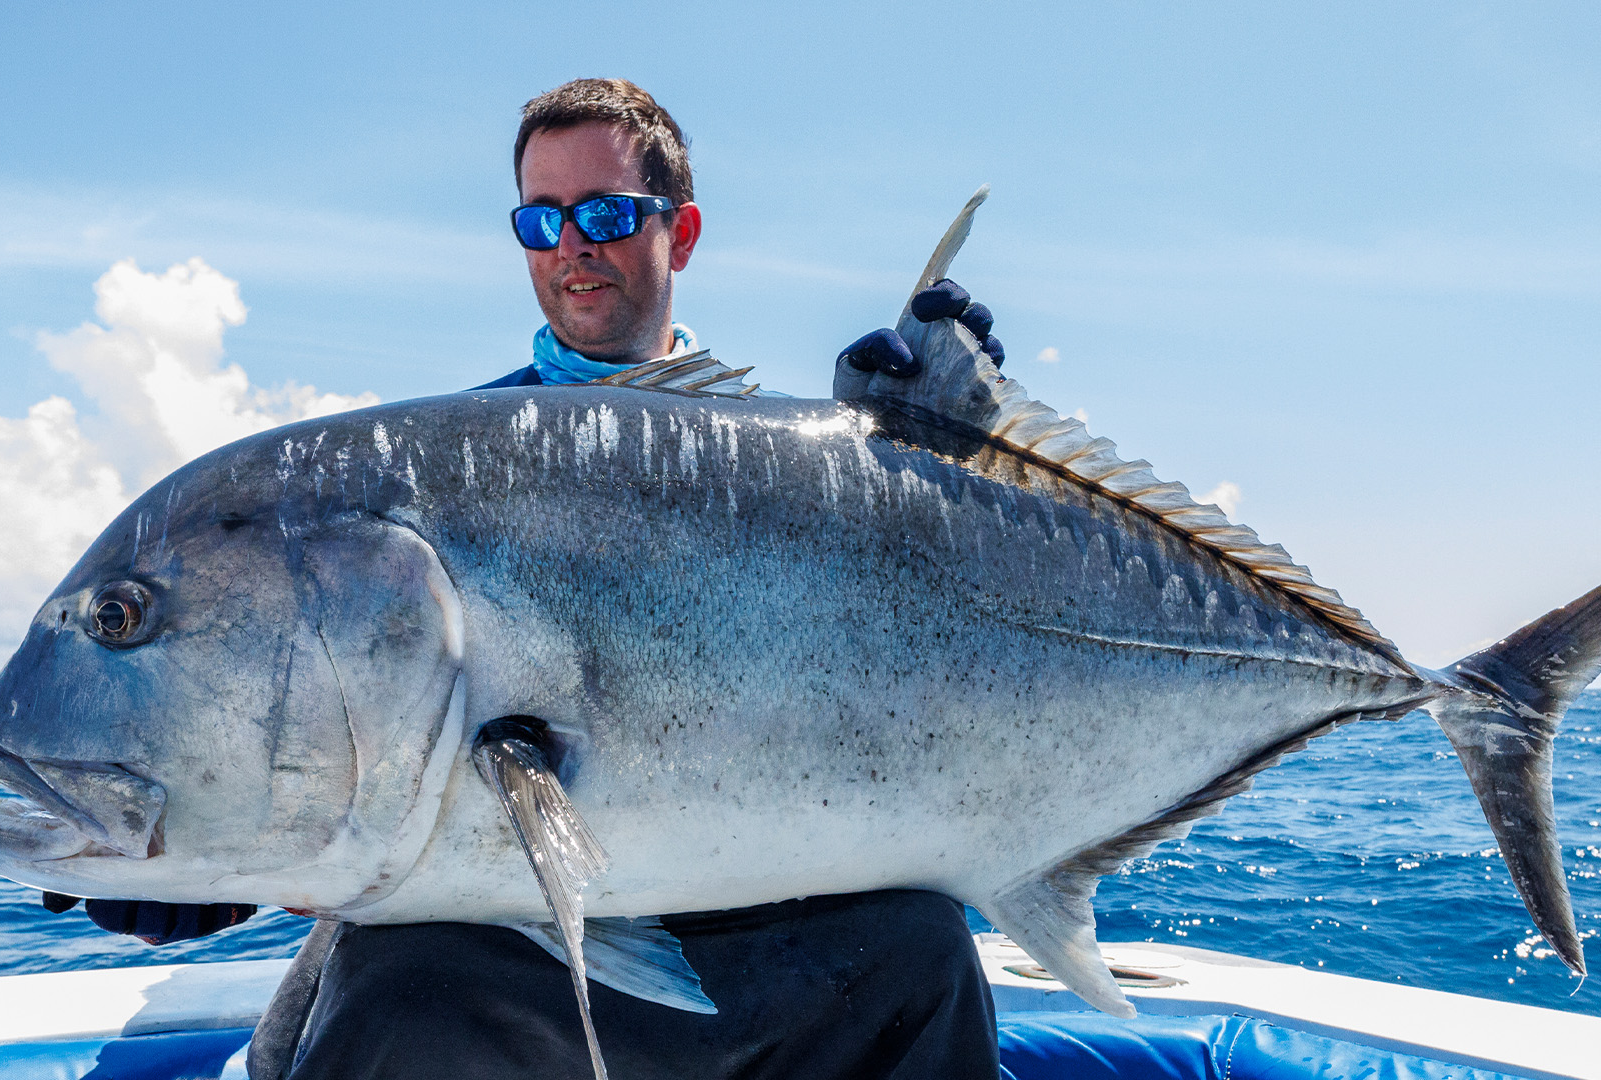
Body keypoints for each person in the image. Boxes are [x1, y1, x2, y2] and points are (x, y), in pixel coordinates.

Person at [78, 78, 1006, 1080]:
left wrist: (947, 469)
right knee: (408, 976)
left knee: (926, 955)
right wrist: (195, 852)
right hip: (496, 948)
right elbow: (357, 740)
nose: (572, 246)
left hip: (740, 932)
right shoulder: (427, 479)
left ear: (679, 233)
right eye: (540, 219)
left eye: (606, 214)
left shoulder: (790, 481)